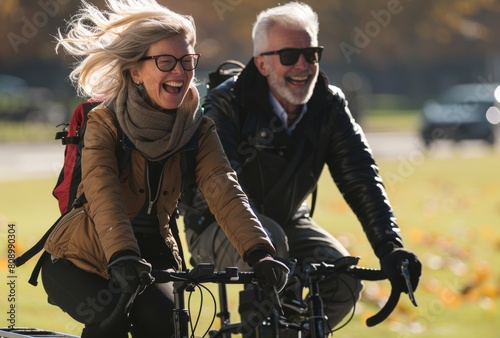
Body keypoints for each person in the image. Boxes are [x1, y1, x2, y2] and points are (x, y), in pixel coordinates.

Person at [39, 1, 288, 337]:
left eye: (187, 62)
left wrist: (259, 252)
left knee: (165, 323)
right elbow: (103, 191)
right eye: (165, 61)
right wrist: (123, 254)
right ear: (135, 71)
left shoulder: (198, 129)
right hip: (80, 256)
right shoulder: (105, 122)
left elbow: (225, 188)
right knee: (108, 319)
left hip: (149, 255)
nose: (180, 72)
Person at [184, 1, 422, 332]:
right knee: (273, 242)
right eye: (288, 56)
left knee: (344, 278)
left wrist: (390, 247)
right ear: (262, 64)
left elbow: (361, 177)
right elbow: (222, 185)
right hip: (216, 225)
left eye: (311, 54)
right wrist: (264, 246)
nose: (303, 65)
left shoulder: (329, 104)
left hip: (288, 222)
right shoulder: (226, 103)